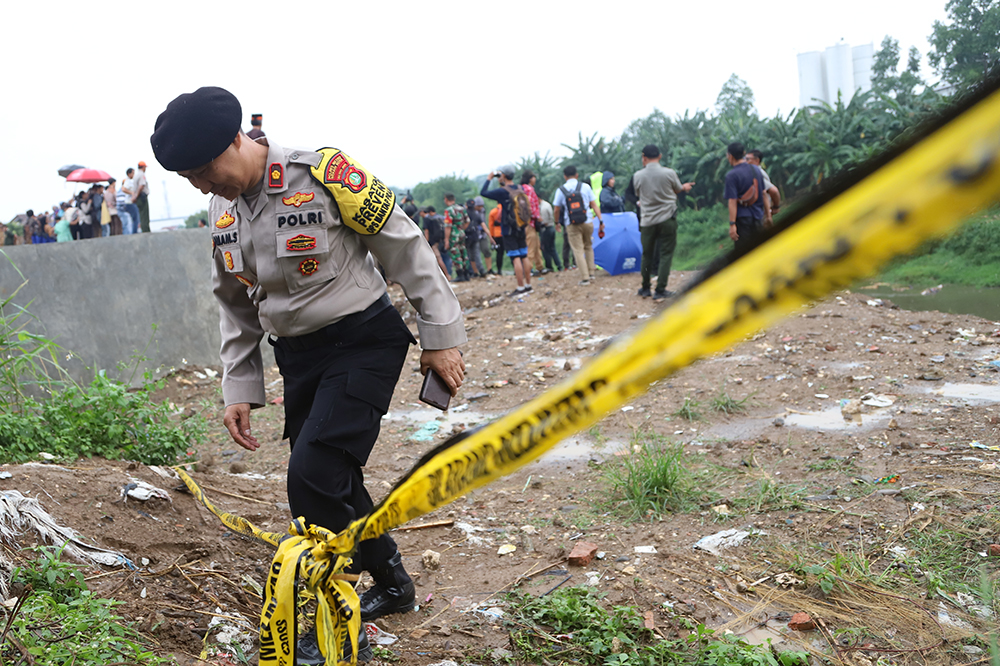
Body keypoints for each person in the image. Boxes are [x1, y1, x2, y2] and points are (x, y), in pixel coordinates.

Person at [150, 86, 466, 664]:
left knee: (311, 477)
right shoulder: (223, 215)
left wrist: (439, 340)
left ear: (235, 140)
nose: (202, 185)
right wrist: (240, 387)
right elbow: (237, 305)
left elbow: (406, 248)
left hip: (363, 341)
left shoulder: (326, 173)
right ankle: (393, 583)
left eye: (205, 170)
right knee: (333, 477)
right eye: (190, 179)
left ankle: (340, 629)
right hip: (299, 357)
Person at [631, 145, 694, 301]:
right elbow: (678, 188)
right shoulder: (669, 173)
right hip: (667, 218)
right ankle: (660, 289)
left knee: (647, 254)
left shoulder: (638, 175)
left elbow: (639, 193)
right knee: (666, 254)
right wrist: (684, 187)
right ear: (659, 156)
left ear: (643, 157)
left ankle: (645, 288)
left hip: (647, 221)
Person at [481, 164, 532, 296]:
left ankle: (520, 288)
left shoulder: (503, 191)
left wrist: (489, 178)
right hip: (521, 226)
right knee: (524, 256)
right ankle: (528, 284)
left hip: (509, 229)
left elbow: (483, 193)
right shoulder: (521, 189)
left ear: (503, 175)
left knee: (515, 258)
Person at [552, 165, 603, 286]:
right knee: (588, 246)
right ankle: (591, 273)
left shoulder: (561, 190)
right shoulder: (585, 187)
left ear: (565, 176)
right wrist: (600, 220)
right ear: (577, 175)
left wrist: (557, 222)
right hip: (587, 221)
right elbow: (594, 205)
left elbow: (556, 209)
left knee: (578, 250)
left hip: (571, 223)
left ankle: (585, 278)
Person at [724, 142, 769, 252]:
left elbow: (732, 201)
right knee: (760, 250)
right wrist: (768, 215)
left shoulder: (731, 175)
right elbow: (763, 194)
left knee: (744, 253)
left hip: (743, 220)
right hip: (758, 217)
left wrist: (732, 224)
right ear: (743, 153)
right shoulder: (756, 170)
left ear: (730, 156)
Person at [745, 149, 781, 225]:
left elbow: (773, 191)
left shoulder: (756, 174)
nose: (745, 161)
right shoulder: (757, 172)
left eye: (748, 159)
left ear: (757, 160)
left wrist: (776, 207)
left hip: (761, 214)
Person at [519, 170, 544, 275]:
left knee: (536, 244)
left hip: (523, 222)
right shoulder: (528, 189)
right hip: (530, 222)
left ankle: (540, 266)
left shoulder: (520, 189)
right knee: (531, 246)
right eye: (534, 177)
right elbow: (530, 205)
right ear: (530, 178)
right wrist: (537, 217)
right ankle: (528, 269)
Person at [443, 193, 470, 282]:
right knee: (463, 252)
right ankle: (466, 274)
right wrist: (461, 229)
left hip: (453, 235)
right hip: (462, 233)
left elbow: (448, 226)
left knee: (455, 254)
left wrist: (446, 239)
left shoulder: (448, 211)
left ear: (446, 200)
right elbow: (467, 221)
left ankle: (460, 274)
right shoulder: (462, 209)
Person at [465, 197, 487, 278]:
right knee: (476, 254)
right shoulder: (476, 214)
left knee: (468, 255)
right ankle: (481, 270)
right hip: (475, 236)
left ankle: (472, 272)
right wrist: (490, 237)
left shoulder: (465, 213)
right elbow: (483, 225)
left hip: (467, 236)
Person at [538, 198, 561, 272]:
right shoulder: (547, 204)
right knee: (552, 248)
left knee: (545, 249)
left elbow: (544, 221)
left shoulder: (543, 207)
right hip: (551, 228)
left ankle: (549, 266)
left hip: (546, 229)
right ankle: (559, 265)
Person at [120, 168, 141, 234]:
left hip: (130, 202)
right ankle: (134, 233)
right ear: (129, 174)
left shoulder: (130, 181)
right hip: (130, 202)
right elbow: (123, 189)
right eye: (133, 173)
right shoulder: (128, 181)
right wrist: (132, 193)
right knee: (135, 219)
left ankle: (134, 231)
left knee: (135, 219)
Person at [133, 160, 150, 233]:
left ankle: (144, 230)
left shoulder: (136, 175)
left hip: (138, 197)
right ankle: (146, 231)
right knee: (145, 215)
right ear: (143, 167)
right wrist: (136, 196)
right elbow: (141, 186)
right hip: (141, 196)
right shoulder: (142, 175)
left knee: (141, 215)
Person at [488, 202, 503, 274]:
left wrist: (492, 236)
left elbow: (491, 225)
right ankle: (516, 269)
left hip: (497, 234)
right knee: (511, 252)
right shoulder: (508, 210)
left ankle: (499, 270)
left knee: (499, 253)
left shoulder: (493, 212)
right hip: (507, 234)